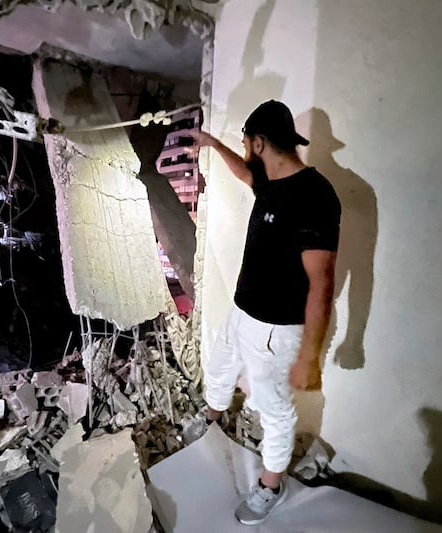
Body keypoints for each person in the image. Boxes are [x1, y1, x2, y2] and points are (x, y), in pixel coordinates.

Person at [185, 100, 341, 525]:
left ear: (260, 142)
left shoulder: (314, 194)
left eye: (246, 144)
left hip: (278, 331)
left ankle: (270, 486)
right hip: (243, 312)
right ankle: (211, 417)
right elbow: (245, 172)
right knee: (219, 369)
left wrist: (310, 355)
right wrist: (213, 143)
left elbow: (322, 283)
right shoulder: (271, 180)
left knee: (274, 410)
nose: (245, 152)